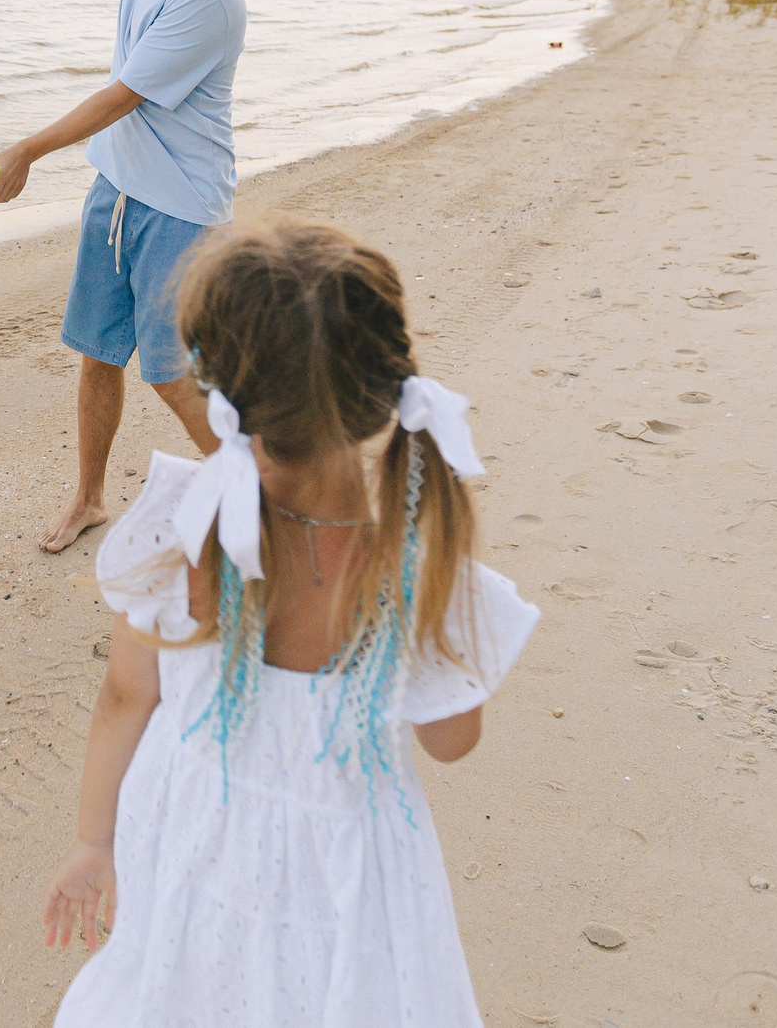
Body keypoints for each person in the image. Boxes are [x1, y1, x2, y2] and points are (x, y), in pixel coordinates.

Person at [39, 219, 538, 1026]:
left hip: (197, 843)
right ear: (380, 394)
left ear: (218, 391)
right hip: (351, 875)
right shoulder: (413, 570)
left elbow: (125, 698)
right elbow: (452, 739)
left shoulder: (184, 531)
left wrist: (94, 842)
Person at [0, 0, 249, 554]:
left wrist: (28, 146)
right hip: (119, 190)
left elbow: (124, 94)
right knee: (98, 352)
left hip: (180, 205)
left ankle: (260, 496)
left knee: (170, 368)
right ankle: (91, 496)